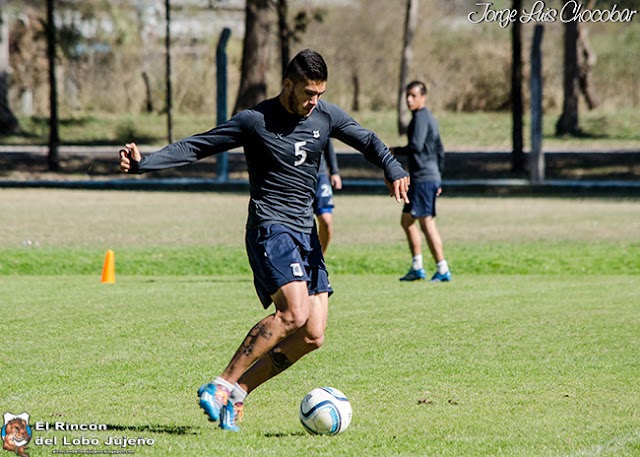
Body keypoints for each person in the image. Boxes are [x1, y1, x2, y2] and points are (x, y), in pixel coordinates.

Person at [119, 49, 410, 432]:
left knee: (312, 335)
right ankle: (221, 384)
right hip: (270, 228)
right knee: (293, 313)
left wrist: (392, 166)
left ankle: (238, 392)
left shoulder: (324, 115)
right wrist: (144, 163)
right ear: (287, 84)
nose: (313, 101)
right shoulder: (255, 121)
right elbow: (197, 146)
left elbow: (367, 139)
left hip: (304, 235)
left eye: (319, 93)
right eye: (308, 92)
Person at [392, 80, 451, 283]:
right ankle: (417, 267)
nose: (409, 99)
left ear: (423, 98)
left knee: (427, 224)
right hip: (427, 177)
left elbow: (416, 146)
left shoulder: (420, 119)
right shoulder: (429, 118)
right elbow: (440, 150)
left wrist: (394, 151)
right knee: (407, 221)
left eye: (413, 96)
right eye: (407, 95)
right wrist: (439, 178)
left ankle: (442, 268)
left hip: (424, 179)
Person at [314, 139, 341, 253]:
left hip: (320, 176)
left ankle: (318, 259)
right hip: (297, 176)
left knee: (326, 222)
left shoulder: (319, 121)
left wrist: (334, 172)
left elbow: (327, 144)